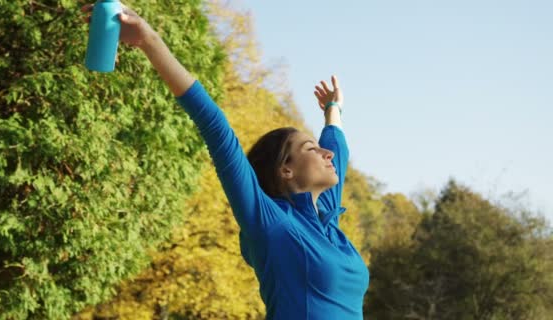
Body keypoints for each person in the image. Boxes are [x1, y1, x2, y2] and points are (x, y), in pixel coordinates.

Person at [82, 3, 369, 319]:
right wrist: (150, 41)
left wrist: (333, 110)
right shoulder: (273, 224)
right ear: (285, 170)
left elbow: (336, 150)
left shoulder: (327, 221)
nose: (325, 154)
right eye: (310, 149)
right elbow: (217, 130)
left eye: (319, 148)